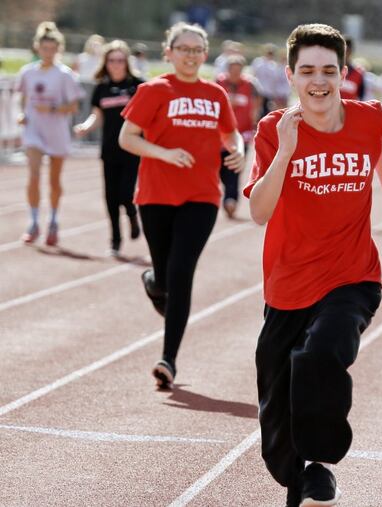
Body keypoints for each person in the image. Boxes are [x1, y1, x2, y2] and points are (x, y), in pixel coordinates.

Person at [244, 23, 382, 507]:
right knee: (277, 432)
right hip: (287, 287)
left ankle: (322, 461)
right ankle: (299, 476)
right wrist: (288, 152)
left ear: (344, 73)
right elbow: (258, 212)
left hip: (351, 278)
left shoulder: (367, 117)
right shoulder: (273, 129)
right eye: (307, 71)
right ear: (291, 75)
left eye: (328, 71)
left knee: (323, 354)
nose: (319, 81)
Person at [118, 22, 245, 388]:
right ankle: (153, 282)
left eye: (197, 49)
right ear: (168, 52)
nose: (190, 55)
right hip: (156, 195)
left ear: (205, 55)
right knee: (163, 274)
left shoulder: (215, 93)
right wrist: (164, 153)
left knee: (182, 272)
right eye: (183, 49)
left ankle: (168, 358)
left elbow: (230, 131)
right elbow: (128, 138)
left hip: (202, 196)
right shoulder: (153, 90)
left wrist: (235, 149)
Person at [16, 21, 83, 247]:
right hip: (34, 130)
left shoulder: (65, 75)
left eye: (52, 49)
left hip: (56, 131)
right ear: (38, 48)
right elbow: (23, 98)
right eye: (44, 48)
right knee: (33, 175)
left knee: (54, 181)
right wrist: (21, 114)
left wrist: (53, 109)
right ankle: (33, 221)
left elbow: (74, 107)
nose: (48, 53)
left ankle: (53, 220)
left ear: (58, 49)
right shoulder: (27, 72)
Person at [74, 40, 144, 256]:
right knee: (110, 197)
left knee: (125, 193)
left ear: (127, 62)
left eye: (120, 60)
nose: (116, 64)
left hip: (132, 148)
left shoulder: (138, 85)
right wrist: (85, 127)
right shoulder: (101, 88)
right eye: (112, 60)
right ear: (106, 62)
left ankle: (132, 215)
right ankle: (115, 240)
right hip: (109, 149)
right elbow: (97, 115)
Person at [216, 54, 262, 218]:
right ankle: (227, 193)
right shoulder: (219, 83)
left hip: (242, 134)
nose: (235, 72)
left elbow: (257, 103)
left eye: (238, 69)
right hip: (219, 135)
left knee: (235, 168)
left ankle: (231, 198)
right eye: (232, 69)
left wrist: (254, 120)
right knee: (221, 169)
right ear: (227, 69)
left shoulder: (250, 85)